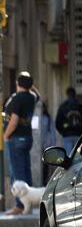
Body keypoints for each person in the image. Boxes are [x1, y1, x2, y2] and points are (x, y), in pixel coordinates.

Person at [3, 72, 37, 213]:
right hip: (26, 137)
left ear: (18, 84)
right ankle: (27, 203)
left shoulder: (18, 99)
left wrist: (6, 134)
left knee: (17, 172)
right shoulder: (32, 97)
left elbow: (14, 120)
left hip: (16, 138)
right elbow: (35, 92)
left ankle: (20, 205)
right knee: (25, 170)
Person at [56, 88, 82, 155]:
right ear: (75, 94)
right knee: (77, 155)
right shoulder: (81, 106)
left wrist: (63, 132)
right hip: (79, 134)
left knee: (69, 155)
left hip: (67, 135)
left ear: (67, 94)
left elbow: (57, 122)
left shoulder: (63, 106)